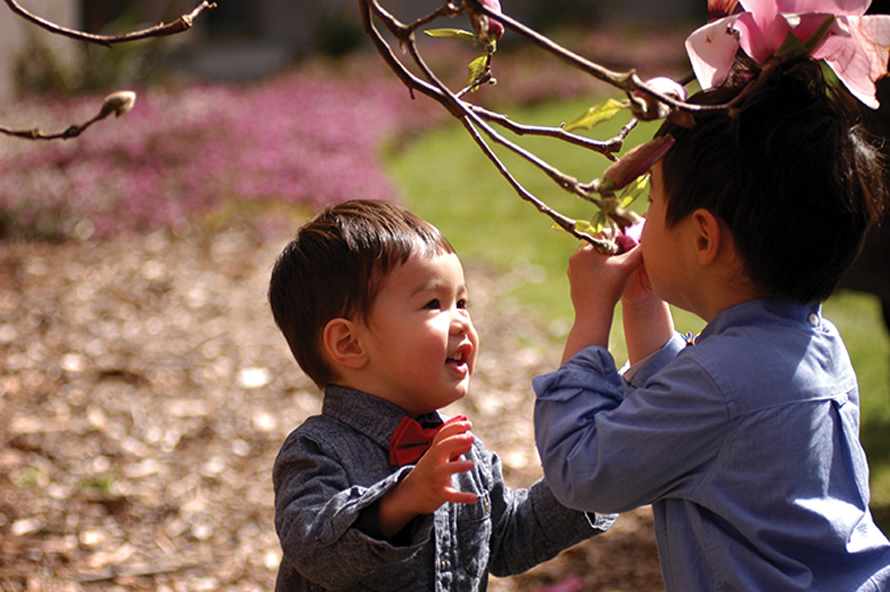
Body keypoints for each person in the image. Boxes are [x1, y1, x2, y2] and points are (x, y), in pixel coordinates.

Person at [533, 56, 890, 592]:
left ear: (703, 237)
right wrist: (641, 304)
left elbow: (580, 471)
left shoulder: (721, 385)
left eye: (653, 201)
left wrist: (592, 315)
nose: (645, 219)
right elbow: (693, 413)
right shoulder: (813, 346)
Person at [267, 199, 614, 592]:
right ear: (349, 343)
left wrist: (596, 470)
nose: (462, 320)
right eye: (434, 304)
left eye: (462, 302)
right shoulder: (317, 451)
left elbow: (510, 540)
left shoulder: (463, 452)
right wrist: (403, 499)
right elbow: (314, 549)